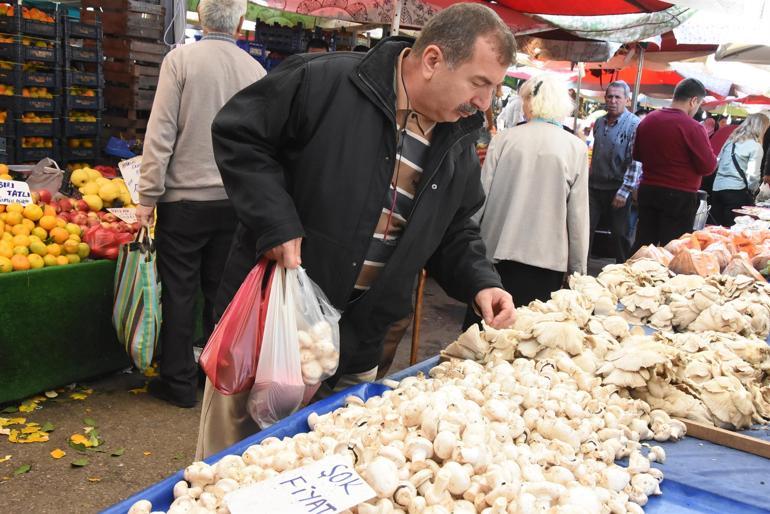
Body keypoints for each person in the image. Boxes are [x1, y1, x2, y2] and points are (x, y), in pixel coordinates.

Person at [197, 3, 517, 458]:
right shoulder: (323, 82)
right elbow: (239, 134)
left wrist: (481, 282)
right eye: (479, 82)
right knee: (232, 464)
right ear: (432, 60)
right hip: (272, 331)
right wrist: (275, 220)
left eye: (493, 88)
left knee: (323, 470)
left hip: (359, 345)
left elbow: (454, 229)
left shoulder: (459, 141)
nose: (484, 102)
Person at [134, 0, 266, 408]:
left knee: (179, 291)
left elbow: (160, 135)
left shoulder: (181, 61)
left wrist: (146, 197)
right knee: (220, 294)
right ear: (241, 22)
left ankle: (176, 381)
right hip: (234, 203)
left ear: (200, 18)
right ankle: (212, 380)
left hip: (183, 203)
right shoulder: (256, 72)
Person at [464, 73, 588, 327]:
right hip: (547, 263)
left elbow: (479, 199)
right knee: (529, 343)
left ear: (529, 103)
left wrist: (465, 248)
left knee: (484, 334)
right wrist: (578, 273)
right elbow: (578, 218)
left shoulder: (504, 140)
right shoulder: (575, 148)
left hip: (496, 255)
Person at [632, 78, 717, 248]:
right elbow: (708, 166)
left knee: (643, 245)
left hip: (648, 190)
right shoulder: (693, 127)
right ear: (693, 101)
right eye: (699, 104)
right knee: (673, 249)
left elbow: (638, 155)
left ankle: (630, 273)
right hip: (679, 196)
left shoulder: (649, 120)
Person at [588, 80, 641, 263]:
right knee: (584, 229)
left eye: (618, 97)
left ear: (627, 100)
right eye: (610, 96)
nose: (613, 100)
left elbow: (636, 161)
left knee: (620, 234)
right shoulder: (599, 122)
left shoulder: (634, 124)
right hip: (594, 186)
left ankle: (623, 272)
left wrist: (625, 190)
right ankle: (579, 271)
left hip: (618, 188)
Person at [711, 113, 769, 226]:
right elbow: (752, 175)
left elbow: (718, 162)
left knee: (716, 228)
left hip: (717, 189)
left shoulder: (730, 142)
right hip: (736, 192)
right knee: (733, 230)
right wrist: (754, 191)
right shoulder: (755, 146)